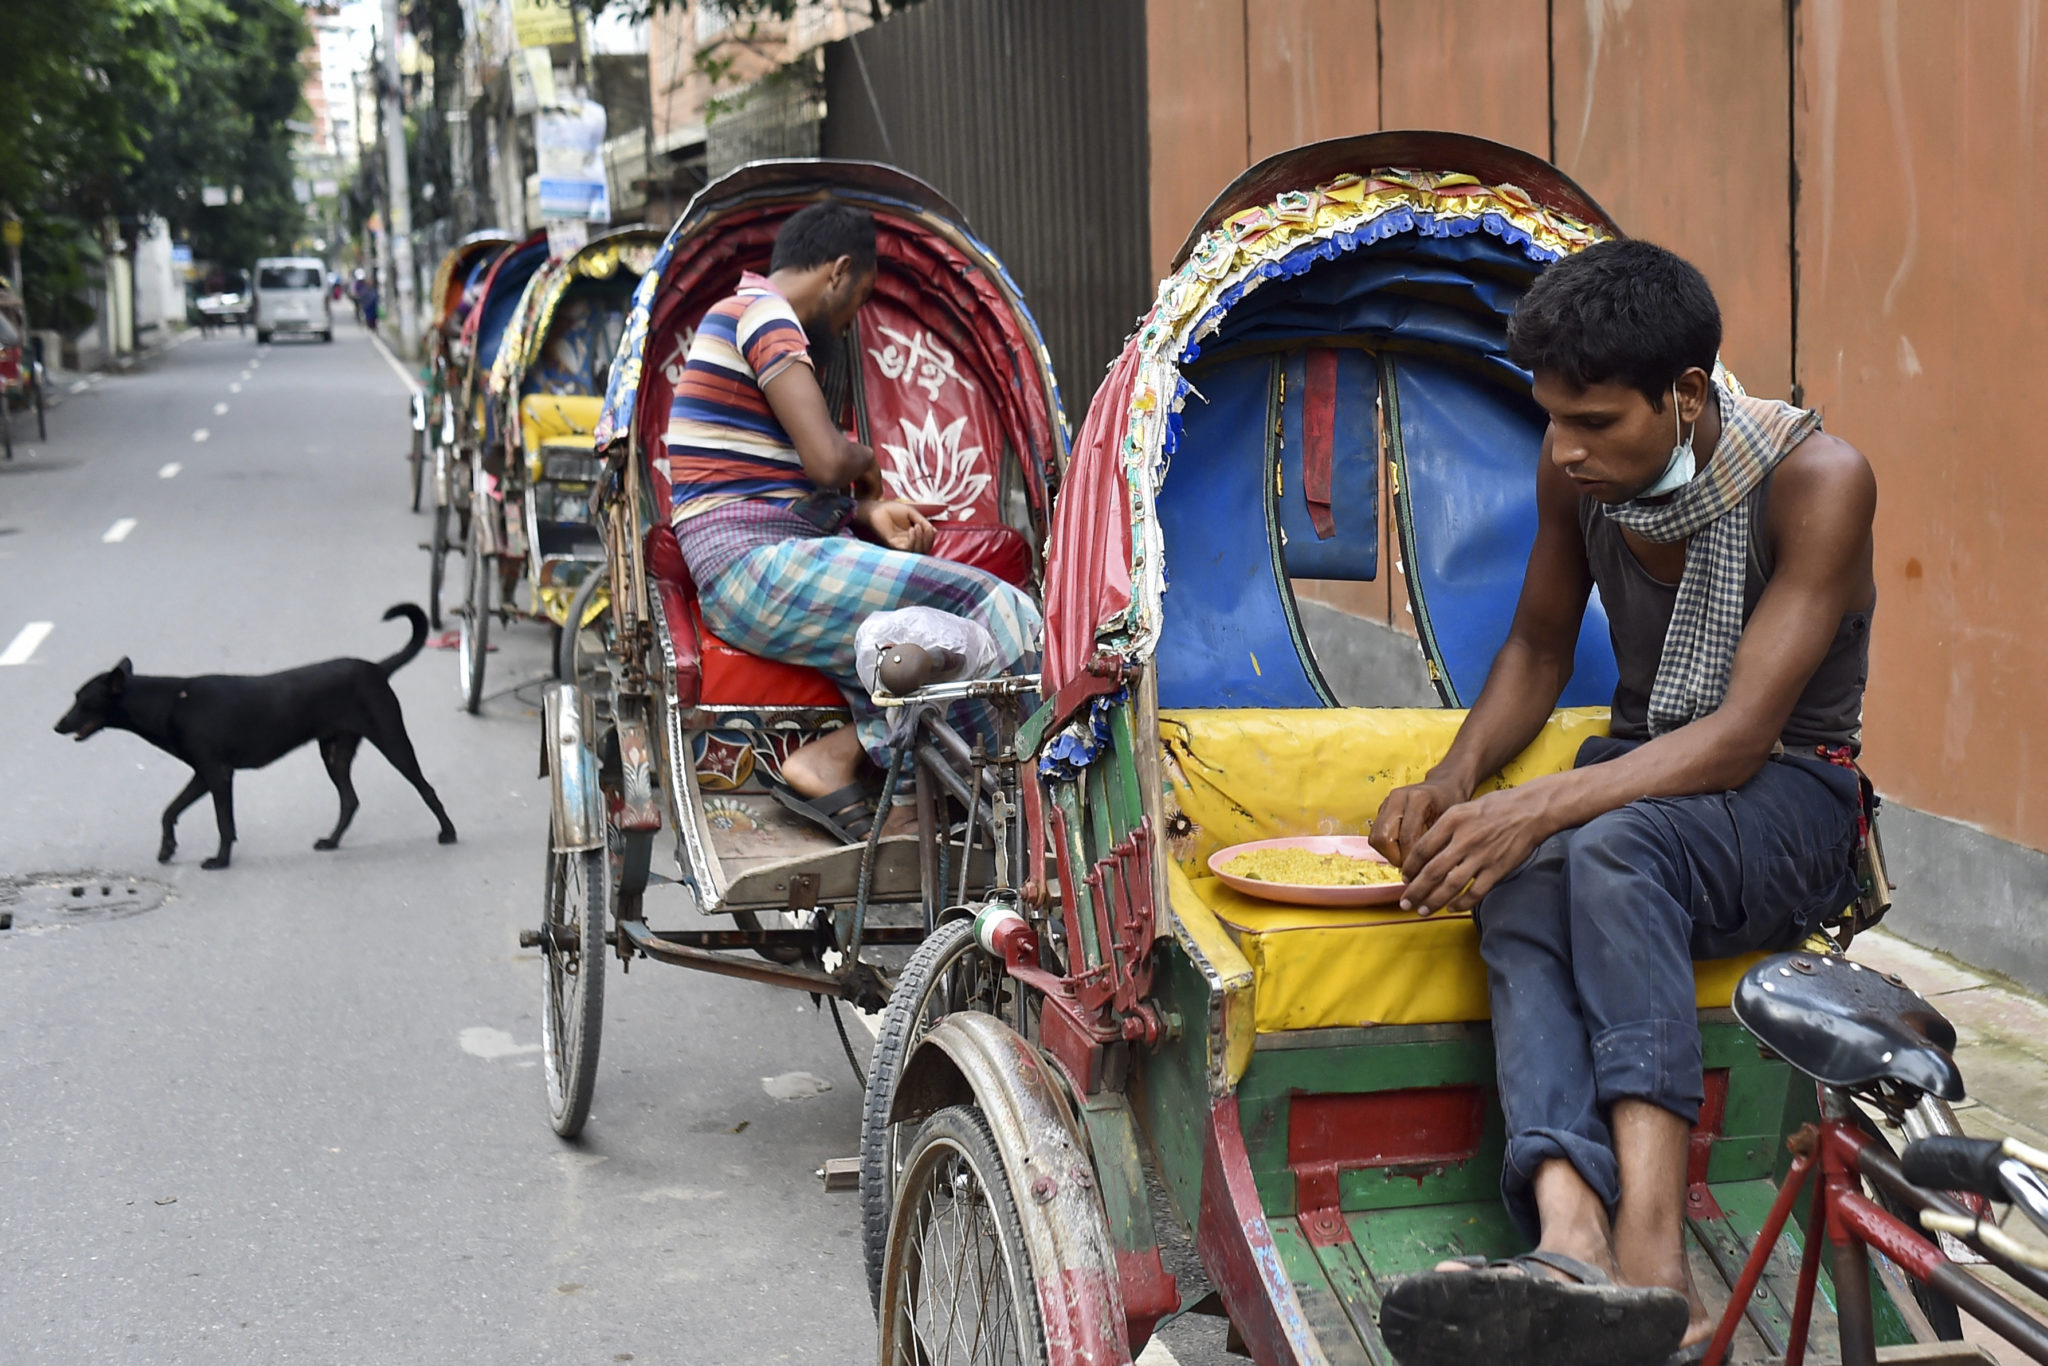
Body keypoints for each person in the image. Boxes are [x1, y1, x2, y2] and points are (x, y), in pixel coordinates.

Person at [1371, 240, 1876, 1366]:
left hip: (1789, 792)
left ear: (1685, 393)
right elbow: (1540, 645)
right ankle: (1569, 1228)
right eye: (1550, 418)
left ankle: (1656, 1258)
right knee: (1517, 873)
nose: (1563, 449)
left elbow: (1743, 735)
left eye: (1593, 421)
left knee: (1601, 847)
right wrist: (1455, 782)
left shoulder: (1817, 479)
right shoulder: (1572, 474)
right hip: (1646, 778)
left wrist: (1540, 802)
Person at [667, 201, 1039, 841]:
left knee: (918, 650)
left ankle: (851, 773)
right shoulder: (762, 311)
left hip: (759, 567)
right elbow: (825, 458)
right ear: (839, 272)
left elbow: (781, 479)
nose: (849, 319)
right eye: (858, 298)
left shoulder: (738, 315)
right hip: (759, 569)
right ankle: (1032, 809)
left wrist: (865, 510)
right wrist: (866, 468)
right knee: (998, 610)